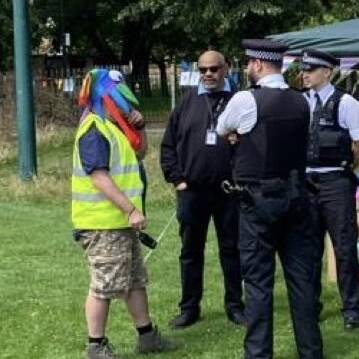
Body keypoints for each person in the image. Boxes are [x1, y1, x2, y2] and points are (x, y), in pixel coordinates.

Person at [216, 39, 323, 359]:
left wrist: (238, 135)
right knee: (302, 281)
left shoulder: (245, 99)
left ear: (258, 65)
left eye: (249, 63)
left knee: (259, 283)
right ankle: (311, 351)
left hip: (257, 200)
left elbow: (223, 128)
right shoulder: (302, 101)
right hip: (297, 196)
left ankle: (259, 354)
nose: (248, 68)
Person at [73, 68, 175, 359]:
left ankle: (147, 337)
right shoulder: (93, 128)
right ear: (104, 95)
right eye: (119, 93)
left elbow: (140, 154)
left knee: (134, 281)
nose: (124, 100)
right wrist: (130, 209)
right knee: (103, 285)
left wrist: (140, 128)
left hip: (120, 223)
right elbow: (99, 176)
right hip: (103, 224)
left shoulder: (113, 127)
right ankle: (96, 346)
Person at [160, 50, 245, 329]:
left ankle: (235, 306)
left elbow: (255, 143)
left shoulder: (240, 101)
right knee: (190, 251)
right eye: (203, 69)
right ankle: (189, 308)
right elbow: (168, 146)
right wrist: (178, 180)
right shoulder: (186, 103)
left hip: (229, 191)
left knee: (232, 249)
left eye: (214, 69)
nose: (208, 74)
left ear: (226, 69)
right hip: (192, 191)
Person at [300, 49, 359, 329]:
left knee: (344, 246)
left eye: (311, 70)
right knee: (308, 248)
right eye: (304, 69)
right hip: (305, 181)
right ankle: (310, 305)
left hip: (335, 182)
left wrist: (345, 169)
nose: (305, 74)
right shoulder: (299, 102)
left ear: (327, 72)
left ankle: (352, 308)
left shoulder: (347, 103)